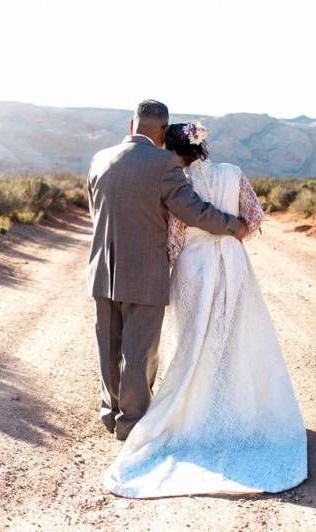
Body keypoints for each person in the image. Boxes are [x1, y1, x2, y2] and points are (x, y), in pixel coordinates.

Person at [104, 122, 307, 498]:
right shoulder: (233, 173)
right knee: (231, 333)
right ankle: (233, 403)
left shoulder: (175, 178)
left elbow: (176, 233)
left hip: (194, 266)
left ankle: (195, 407)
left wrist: (167, 265)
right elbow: (255, 215)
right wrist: (233, 237)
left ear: (172, 149)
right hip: (233, 260)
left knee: (193, 337)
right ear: (202, 146)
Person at [87, 101, 249, 441]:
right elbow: (192, 211)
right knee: (139, 351)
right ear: (163, 131)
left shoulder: (99, 159)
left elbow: (96, 211)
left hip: (102, 268)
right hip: (144, 270)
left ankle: (110, 413)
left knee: (108, 344)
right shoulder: (165, 163)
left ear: (132, 125)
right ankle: (131, 423)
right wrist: (233, 225)